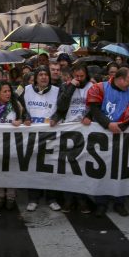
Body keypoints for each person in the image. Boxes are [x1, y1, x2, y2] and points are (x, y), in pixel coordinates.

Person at [87, 67, 129, 217]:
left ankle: (120, 202)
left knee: (121, 171)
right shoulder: (99, 88)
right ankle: (101, 203)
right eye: (128, 81)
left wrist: (121, 126)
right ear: (119, 79)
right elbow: (95, 110)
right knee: (102, 170)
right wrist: (108, 124)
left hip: (122, 136)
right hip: (102, 137)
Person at [53, 64, 94, 213]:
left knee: (82, 167)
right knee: (68, 167)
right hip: (69, 130)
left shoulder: (92, 87)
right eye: (76, 76)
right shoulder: (65, 86)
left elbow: (97, 106)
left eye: (81, 76)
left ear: (86, 76)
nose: (79, 79)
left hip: (85, 131)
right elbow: (61, 106)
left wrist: (89, 116)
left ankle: (82, 199)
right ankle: (68, 200)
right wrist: (71, 87)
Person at [0, 81, 29, 210]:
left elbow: (25, 118)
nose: (8, 93)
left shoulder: (17, 105)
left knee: (10, 170)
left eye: (9, 91)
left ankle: (10, 196)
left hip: (11, 144)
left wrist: (20, 121)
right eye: (4, 91)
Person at [22, 66, 60, 211]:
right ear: (36, 77)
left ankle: (51, 198)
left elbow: (62, 108)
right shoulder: (26, 90)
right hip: (32, 136)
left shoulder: (57, 91)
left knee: (50, 167)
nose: (44, 77)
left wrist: (56, 118)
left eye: (46, 74)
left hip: (50, 135)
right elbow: (19, 106)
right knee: (33, 167)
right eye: (41, 74)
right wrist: (25, 116)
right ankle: (33, 198)